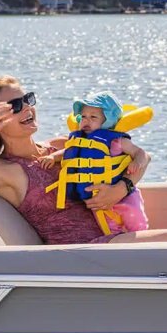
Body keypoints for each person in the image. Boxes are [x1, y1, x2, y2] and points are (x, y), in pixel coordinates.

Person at [0, 76, 167, 244]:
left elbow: (142, 158)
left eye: (27, 99)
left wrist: (121, 188)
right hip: (79, 252)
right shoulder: (3, 170)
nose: (27, 108)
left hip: (113, 235)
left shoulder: (62, 145)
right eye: (15, 106)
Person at [48, 92, 151, 236]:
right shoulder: (79, 140)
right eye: (83, 116)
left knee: (135, 221)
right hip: (96, 200)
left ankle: (142, 238)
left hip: (125, 197)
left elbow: (141, 153)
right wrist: (53, 157)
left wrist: (137, 162)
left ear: (108, 120)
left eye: (93, 117)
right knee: (110, 228)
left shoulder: (117, 140)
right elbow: (69, 152)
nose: (86, 120)